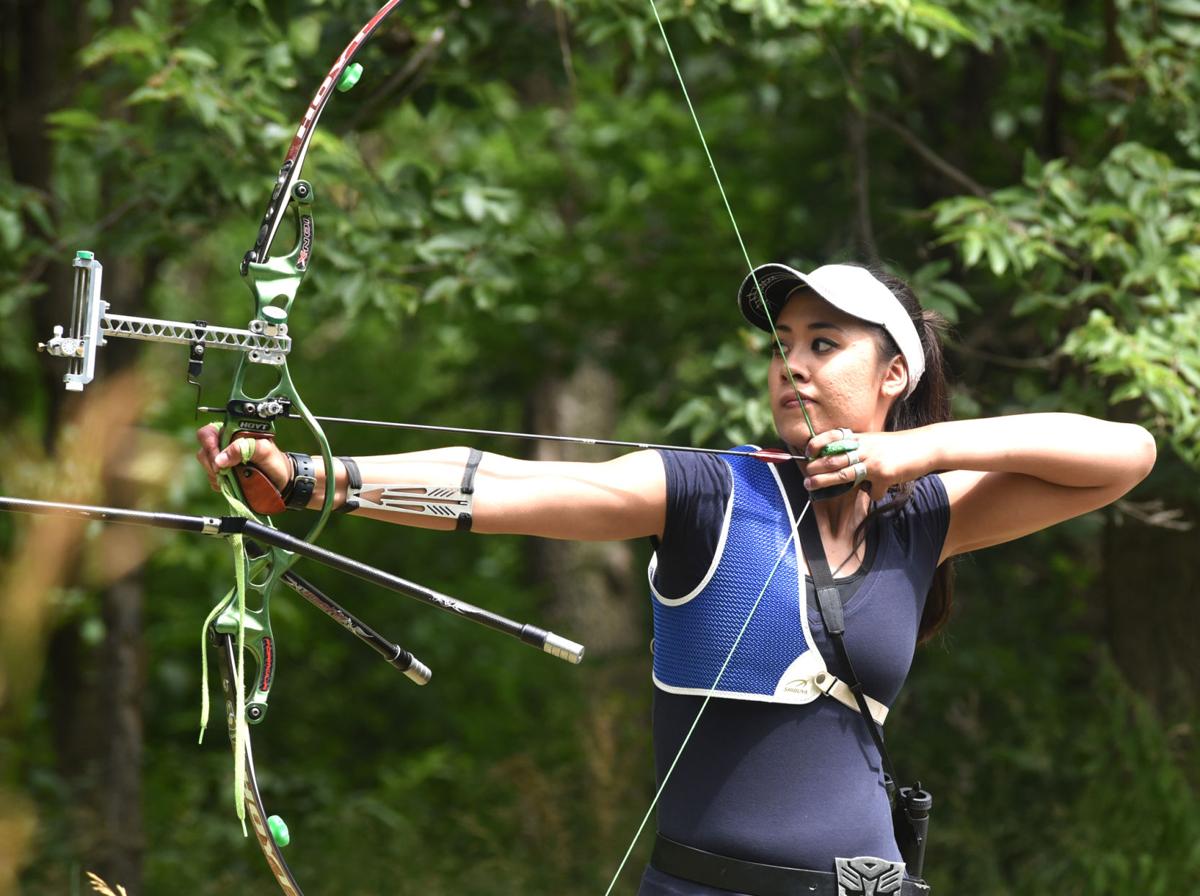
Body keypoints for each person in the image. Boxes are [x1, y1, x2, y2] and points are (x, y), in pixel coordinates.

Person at [196, 262, 1156, 896]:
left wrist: (918, 455)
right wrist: (315, 479)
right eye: (782, 344)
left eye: (824, 344)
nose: (792, 364)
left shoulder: (922, 517)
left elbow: (1124, 455)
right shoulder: (710, 492)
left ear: (894, 374)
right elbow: (506, 484)